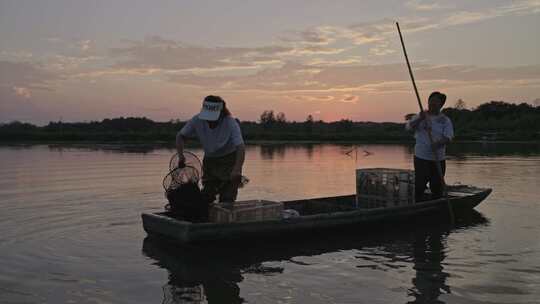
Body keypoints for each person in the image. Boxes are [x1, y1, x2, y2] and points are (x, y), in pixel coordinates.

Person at [176, 95, 245, 204]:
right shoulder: (197, 120)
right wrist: (180, 156)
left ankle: (225, 217)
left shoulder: (230, 123)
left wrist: (236, 169)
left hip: (229, 160)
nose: (209, 121)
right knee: (207, 194)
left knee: (227, 197)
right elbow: (180, 136)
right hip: (210, 160)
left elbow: (240, 147)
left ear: (221, 113)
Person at [406, 91, 454, 201]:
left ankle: (436, 204)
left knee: (437, 186)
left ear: (441, 105)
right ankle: (416, 203)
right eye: (431, 101)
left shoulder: (445, 120)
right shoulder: (421, 116)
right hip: (421, 157)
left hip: (438, 158)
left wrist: (438, 143)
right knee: (420, 183)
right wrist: (419, 119)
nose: (432, 104)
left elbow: (449, 137)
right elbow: (409, 128)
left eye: (436, 102)